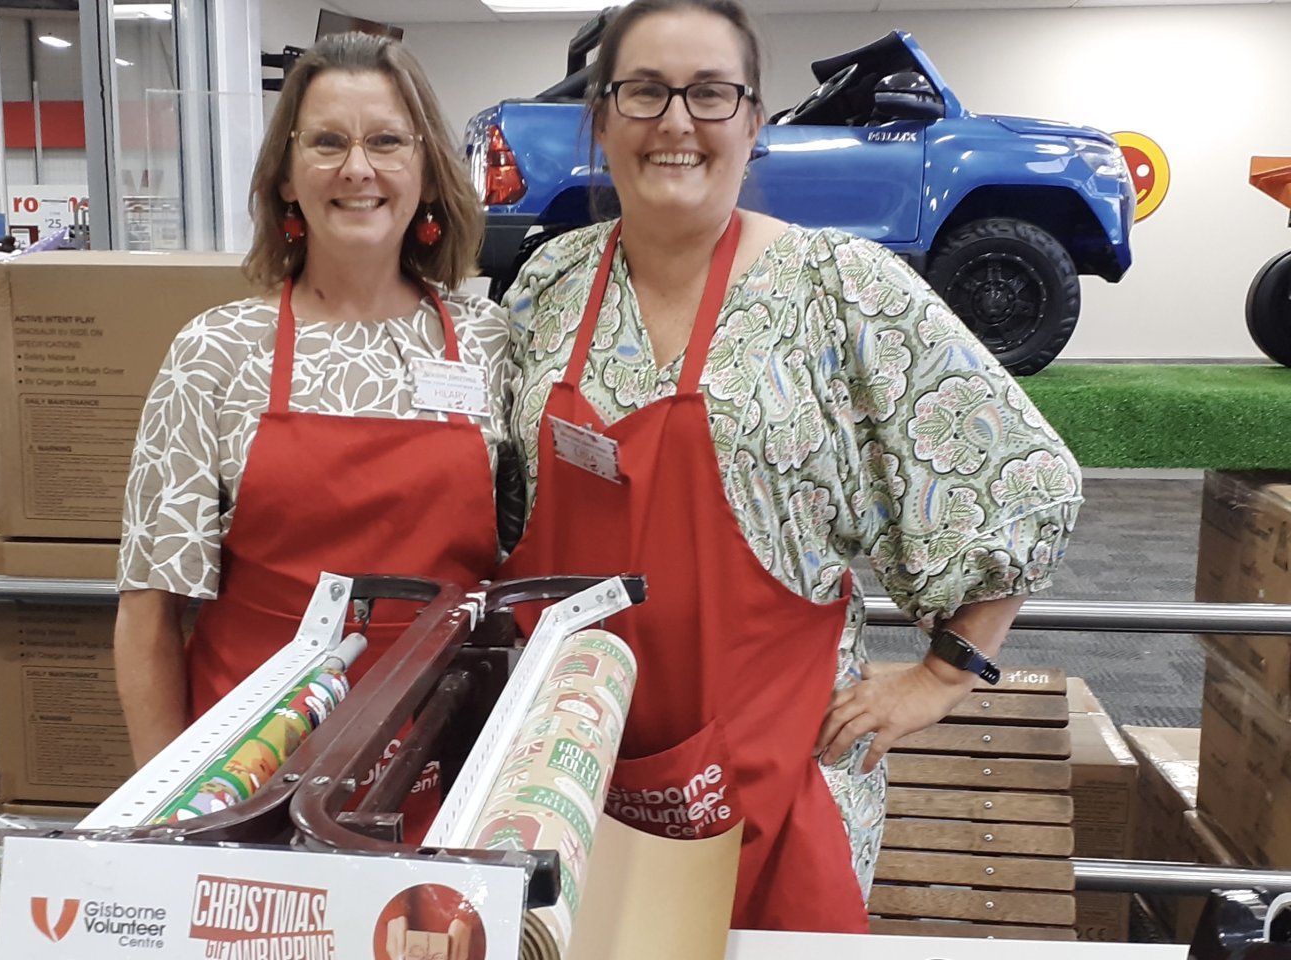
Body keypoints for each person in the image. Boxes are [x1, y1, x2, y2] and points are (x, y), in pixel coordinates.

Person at [498, 0, 1083, 933]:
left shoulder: (838, 288)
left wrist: (945, 674)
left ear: (754, 120)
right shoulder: (547, 286)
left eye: (711, 93)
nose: (677, 122)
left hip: (777, 781)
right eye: (644, 92)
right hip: (567, 786)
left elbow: (1023, 475)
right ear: (601, 118)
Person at [113, 33, 509, 836]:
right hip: (247, 773)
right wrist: (165, 821)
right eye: (327, 142)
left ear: (427, 169)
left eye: (387, 141)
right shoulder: (216, 352)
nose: (357, 168)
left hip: (448, 769)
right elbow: (149, 611)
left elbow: (532, 563)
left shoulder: (496, 343)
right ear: (286, 176)